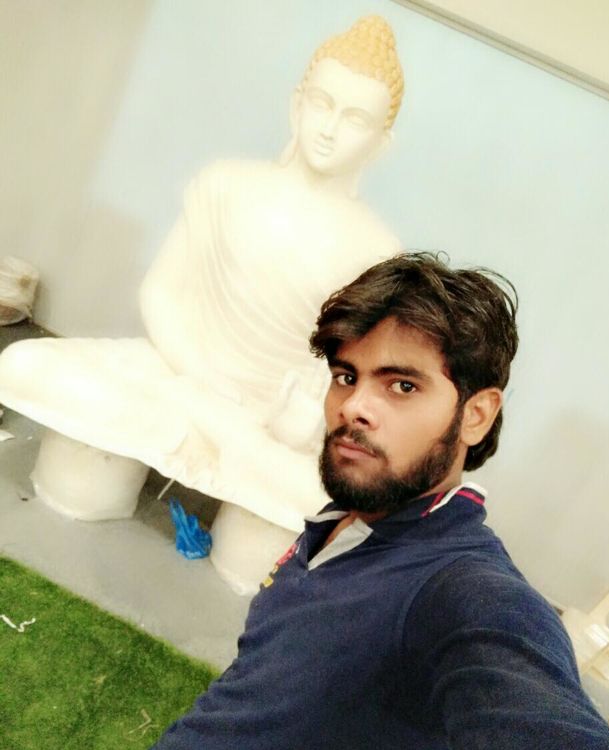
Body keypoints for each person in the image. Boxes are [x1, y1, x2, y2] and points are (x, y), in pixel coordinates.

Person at [82, 253, 609, 750]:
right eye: (347, 376)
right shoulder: (338, 523)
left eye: (402, 385)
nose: (353, 407)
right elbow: (251, 686)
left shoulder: (462, 594)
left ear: (476, 415)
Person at [0, 17, 402, 580]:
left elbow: (345, 372)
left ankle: (223, 453)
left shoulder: (378, 252)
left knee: (323, 496)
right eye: (321, 103)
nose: (329, 129)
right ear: (296, 104)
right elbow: (161, 291)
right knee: (26, 363)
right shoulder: (226, 184)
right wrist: (200, 381)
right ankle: (198, 440)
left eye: (355, 118)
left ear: (381, 143)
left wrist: (299, 417)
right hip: (175, 375)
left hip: (266, 424)